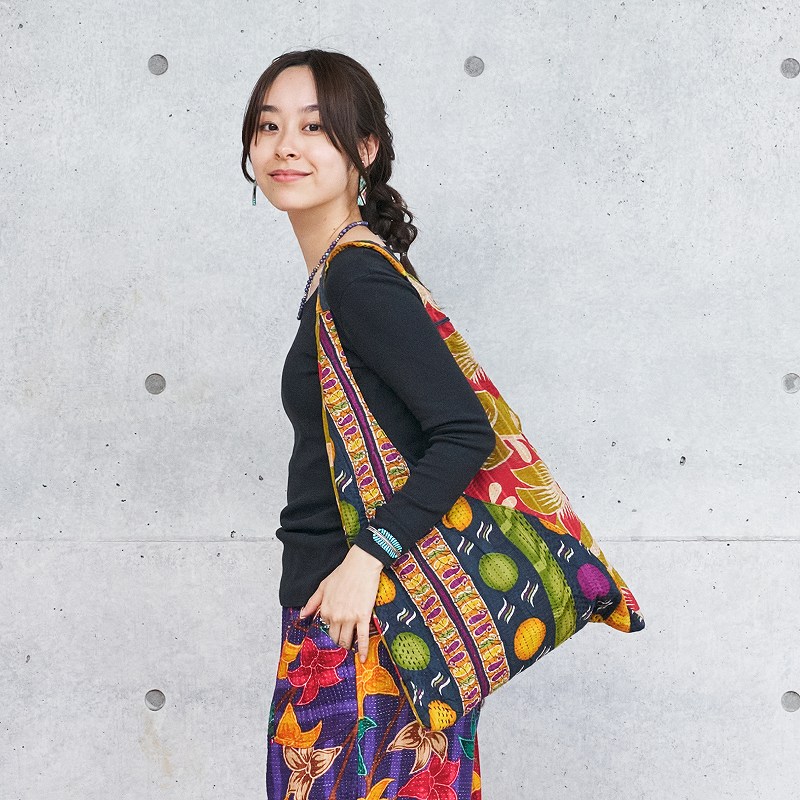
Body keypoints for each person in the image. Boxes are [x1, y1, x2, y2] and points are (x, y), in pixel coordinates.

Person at [241, 48, 496, 800]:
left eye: (314, 127)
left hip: (367, 623)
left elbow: (464, 429)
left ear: (365, 149)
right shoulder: (337, 276)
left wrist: (368, 556)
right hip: (348, 613)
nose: (285, 146)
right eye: (268, 126)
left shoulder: (357, 276)